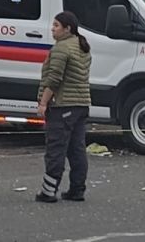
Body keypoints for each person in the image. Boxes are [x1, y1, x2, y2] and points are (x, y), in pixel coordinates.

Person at [35, 12, 92, 204]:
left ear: (67, 28)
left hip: (63, 105)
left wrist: (43, 103)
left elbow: (54, 79)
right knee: (77, 149)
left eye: (57, 25)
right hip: (81, 104)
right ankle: (77, 189)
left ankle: (49, 191)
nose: (52, 28)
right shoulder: (82, 46)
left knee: (56, 148)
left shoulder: (61, 48)